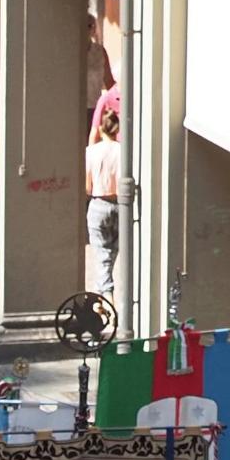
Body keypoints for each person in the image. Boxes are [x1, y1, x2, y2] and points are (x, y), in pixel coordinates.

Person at [83, 84, 125, 300]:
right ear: (117, 130)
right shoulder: (123, 153)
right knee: (115, 251)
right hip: (119, 204)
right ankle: (108, 292)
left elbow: (87, 186)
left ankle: (105, 293)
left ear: (101, 129)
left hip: (99, 204)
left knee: (101, 254)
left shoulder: (91, 153)